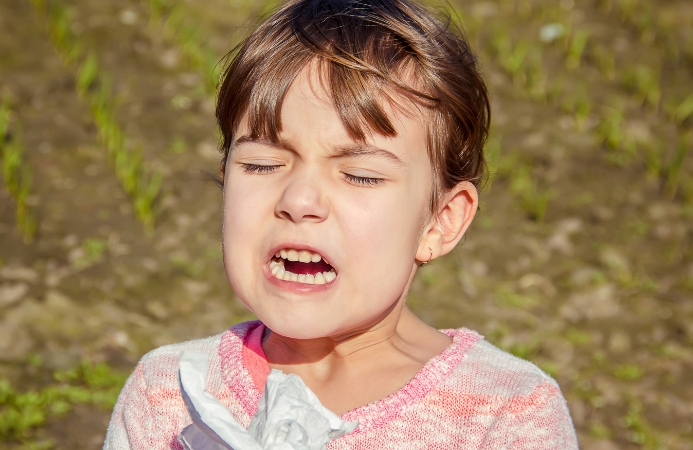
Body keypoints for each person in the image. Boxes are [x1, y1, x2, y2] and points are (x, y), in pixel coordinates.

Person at [103, 0, 578, 448]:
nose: (299, 200)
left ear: (440, 221)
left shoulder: (506, 416)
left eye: (359, 174)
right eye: (263, 165)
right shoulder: (170, 394)